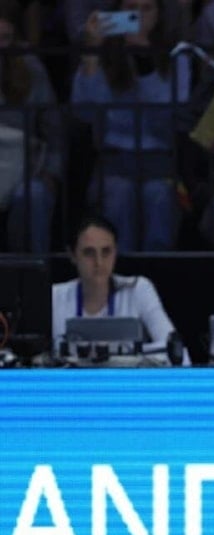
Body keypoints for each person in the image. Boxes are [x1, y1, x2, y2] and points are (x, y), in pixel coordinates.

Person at [71, 0, 192, 253]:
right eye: (131, 7)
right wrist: (92, 53)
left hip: (159, 161)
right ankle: (120, 275)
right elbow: (86, 111)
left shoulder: (176, 55)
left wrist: (147, 61)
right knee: (119, 197)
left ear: (159, 15)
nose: (138, 15)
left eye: (147, 8)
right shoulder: (104, 53)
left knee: (157, 196)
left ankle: (158, 278)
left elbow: (168, 116)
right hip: (114, 159)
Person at [52, 213, 190, 363]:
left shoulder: (138, 289)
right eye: (89, 253)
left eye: (106, 252)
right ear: (72, 255)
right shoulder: (55, 296)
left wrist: (130, 361)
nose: (99, 262)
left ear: (115, 252)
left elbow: (178, 353)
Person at [0, 0, 63, 255]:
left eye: (4, 37)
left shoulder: (30, 67)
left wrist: (51, 173)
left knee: (33, 196)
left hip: (23, 169)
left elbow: (54, 128)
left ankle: (32, 280)